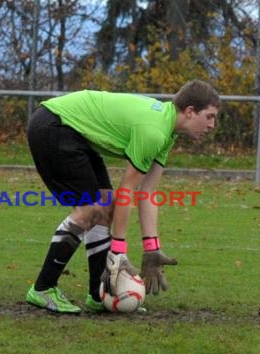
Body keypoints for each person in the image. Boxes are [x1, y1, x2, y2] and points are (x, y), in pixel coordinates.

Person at [25, 79, 221, 314]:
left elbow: (148, 193)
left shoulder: (166, 132)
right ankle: (43, 288)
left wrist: (152, 248)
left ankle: (98, 294)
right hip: (55, 125)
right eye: (209, 116)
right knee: (92, 210)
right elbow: (127, 191)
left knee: (105, 204)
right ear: (190, 112)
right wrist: (118, 251)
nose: (212, 125)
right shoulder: (154, 131)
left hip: (72, 131)